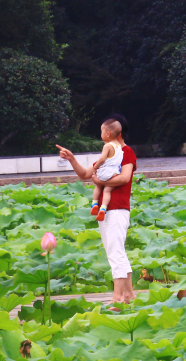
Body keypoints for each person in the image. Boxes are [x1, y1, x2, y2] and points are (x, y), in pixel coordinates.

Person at [56, 115, 136, 303]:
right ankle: (130, 295)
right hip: (105, 210)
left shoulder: (126, 152)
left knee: (116, 252)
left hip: (118, 209)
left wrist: (100, 181)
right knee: (115, 252)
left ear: (115, 132)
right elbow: (85, 174)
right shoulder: (109, 154)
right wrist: (72, 158)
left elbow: (125, 178)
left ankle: (117, 299)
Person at [90, 120, 124, 222]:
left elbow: (102, 159)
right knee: (107, 190)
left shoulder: (107, 146)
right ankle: (103, 208)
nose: (101, 134)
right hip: (115, 173)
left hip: (105, 171)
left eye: (101, 132)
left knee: (98, 186)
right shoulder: (119, 146)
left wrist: (95, 167)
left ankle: (94, 203)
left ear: (107, 134)